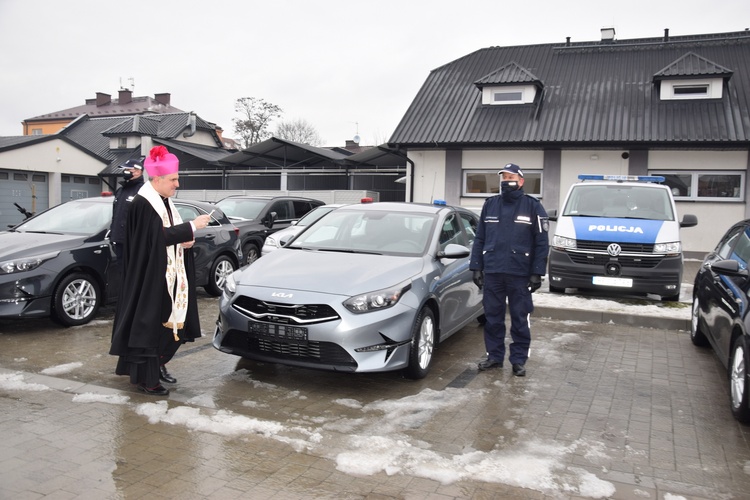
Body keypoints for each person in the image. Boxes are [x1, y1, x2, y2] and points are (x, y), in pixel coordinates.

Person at [110, 145, 211, 396]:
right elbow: (153, 238)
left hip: (162, 274)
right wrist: (191, 227)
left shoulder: (163, 201)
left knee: (167, 324)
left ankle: (156, 367)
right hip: (149, 278)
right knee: (150, 326)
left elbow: (164, 237)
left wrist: (185, 240)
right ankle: (148, 378)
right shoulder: (144, 203)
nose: (177, 184)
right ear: (158, 179)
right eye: (173, 179)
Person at [470, 163, 550, 377]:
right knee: (493, 319)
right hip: (494, 272)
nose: (507, 181)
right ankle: (494, 357)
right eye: (504, 177)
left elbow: (542, 242)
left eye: (511, 177)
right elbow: (480, 238)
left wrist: (537, 272)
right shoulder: (490, 205)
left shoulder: (532, 206)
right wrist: (476, 266)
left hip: (520, 274)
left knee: (520, 319)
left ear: (521, 181)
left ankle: (519, 360)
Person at [110, 158, 145, 261]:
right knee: (122, 274)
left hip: (134, 243)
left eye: (129, 170)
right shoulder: (120, 190)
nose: (125, 172)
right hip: (119, 241)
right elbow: (115, 215)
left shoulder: (143, 190)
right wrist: (113, 235)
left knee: (134, 275)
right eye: (124, 170)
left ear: (138, 171)